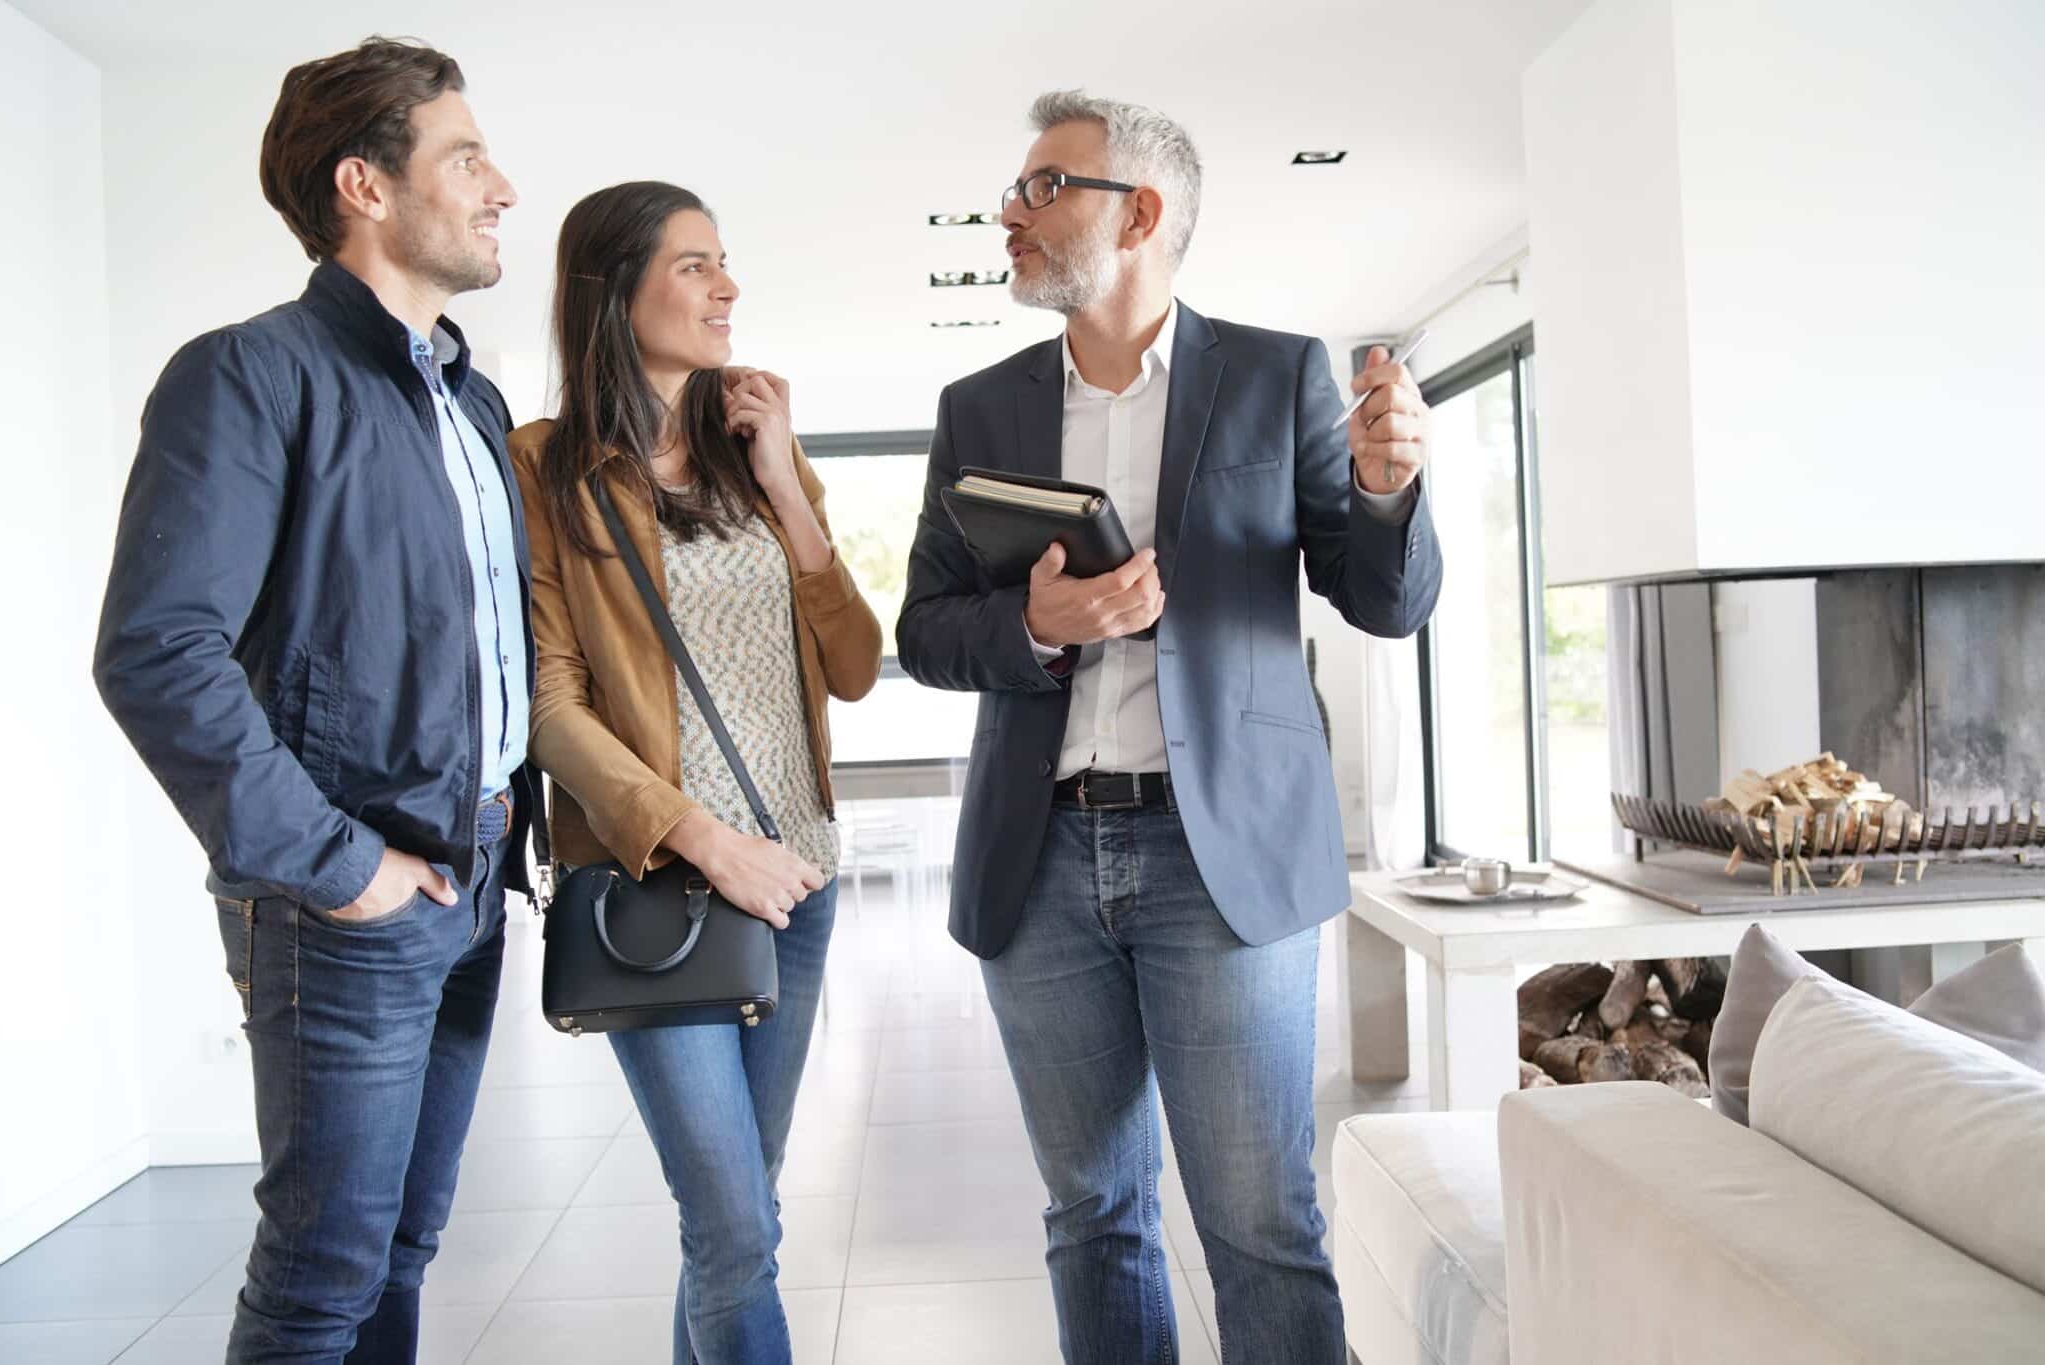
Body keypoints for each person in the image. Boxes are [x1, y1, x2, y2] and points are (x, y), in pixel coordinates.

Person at [895, 91, 1444, 1364]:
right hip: (1036, 867)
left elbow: (1382, 603)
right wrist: (1040, 624)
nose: (1009, 212)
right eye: (1017, 188)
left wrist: (1384, 488)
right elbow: (924, 631)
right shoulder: (977, 406)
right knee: (1091, 1215)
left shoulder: (1273, 373)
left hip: (1224, 864)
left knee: (1259, 1222)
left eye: (1042, 188)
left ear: (1136, 213)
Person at [92, 37, 531, 1364]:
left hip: (470, 874)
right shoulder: (246, 376)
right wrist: (346, 869)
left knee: (398, 1248)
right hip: (349, 903)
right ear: (366, 186)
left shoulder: (472, 400)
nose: (502, 184)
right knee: (320, 1277)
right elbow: (159, 653)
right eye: (466, 157)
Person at [506, 179, 881, 1364]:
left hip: (802, 880)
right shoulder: (541, 464)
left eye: (726, 263)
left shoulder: (751, 451)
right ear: (614, 293)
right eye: (694, 265)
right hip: (664, 884)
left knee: (745, 1215)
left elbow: (857, 661)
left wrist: (781, 478)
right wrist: (705, 840)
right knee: (728, 1226)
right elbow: (546, 704)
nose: (727, 288)